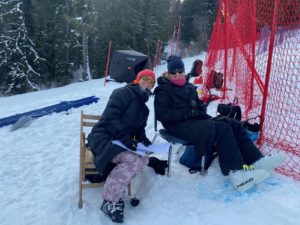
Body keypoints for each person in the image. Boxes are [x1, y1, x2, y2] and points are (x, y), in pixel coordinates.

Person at [154, 55, 285, 192]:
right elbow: (163, 115)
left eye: (180, 71)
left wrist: (200, 108)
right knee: (222, 129)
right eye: (173, 73)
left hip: (193, 121)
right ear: (168, 73)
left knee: (231, 123)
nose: (177, 75)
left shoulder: (189, 87)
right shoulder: (163, 90)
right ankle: (236, 174)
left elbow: (197, 107)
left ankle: (256, 161)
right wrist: (188, 112)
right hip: (176, 126)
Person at [88, 69, 155, 223]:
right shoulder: (122, 93)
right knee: (131, 159)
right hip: (103, 137)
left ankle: (115, 188)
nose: (147, 83)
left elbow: (139, 128)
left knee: (144, 158)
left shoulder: (144, 109)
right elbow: (111, 119)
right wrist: (126, 139)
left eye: (151, 82)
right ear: (138, 80)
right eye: (145, 79)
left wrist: (143, 140)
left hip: (120, 141)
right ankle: (109, 201)